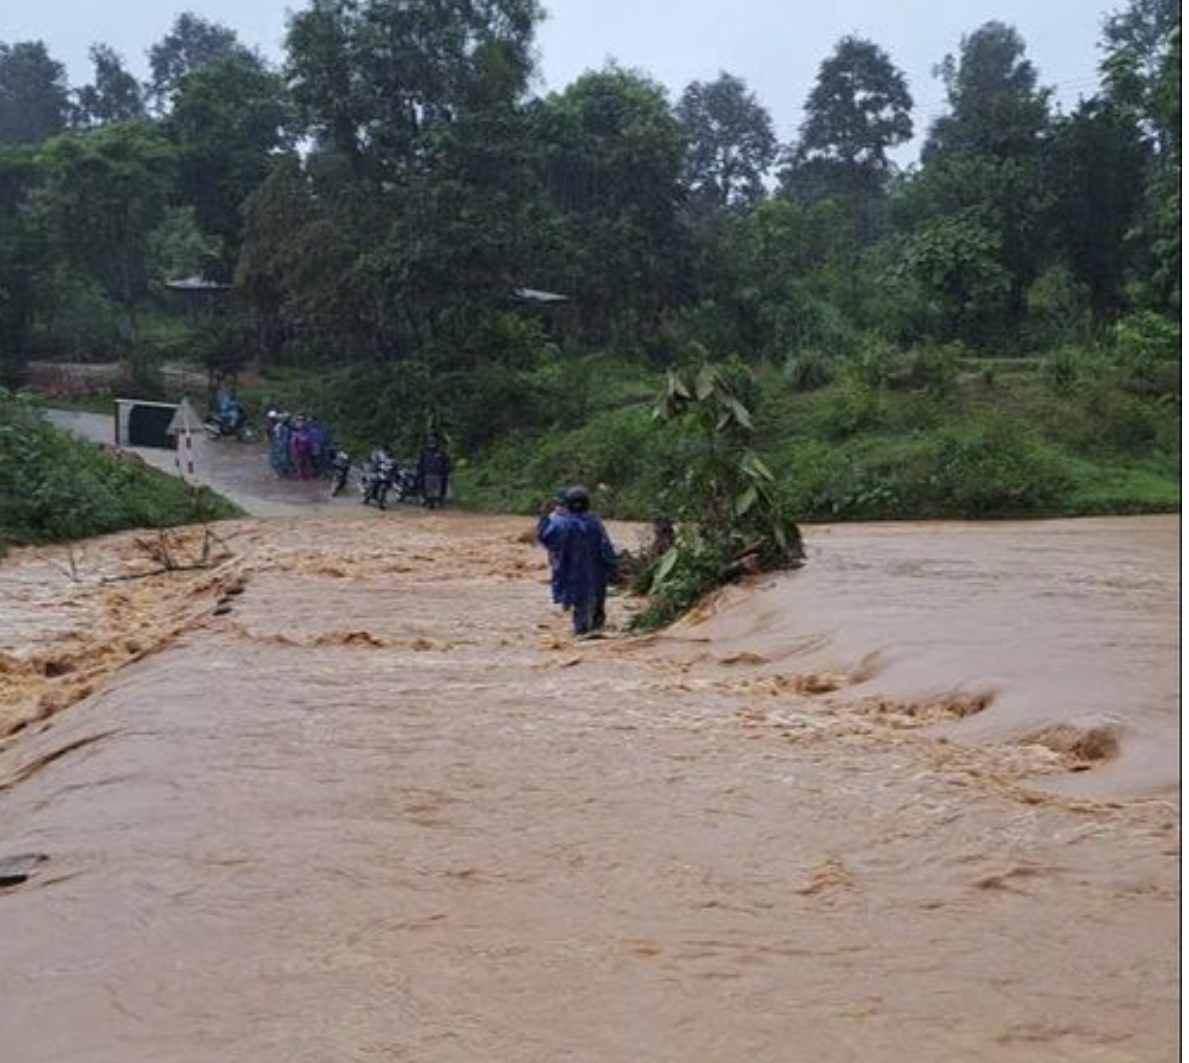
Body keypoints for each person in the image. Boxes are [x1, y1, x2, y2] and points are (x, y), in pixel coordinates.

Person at [540, 484, 618, 637]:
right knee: (597, 606)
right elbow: (607, 547)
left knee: (581, 610)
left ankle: (583, 634)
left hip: (574, 574)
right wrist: (612, 566)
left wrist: (545, 517)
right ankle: (596, 633)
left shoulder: (561, 523)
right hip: (597, 573)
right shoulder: (595, 521)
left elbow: (546, 539)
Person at [535, 488, 569, 608]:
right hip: (578, 556)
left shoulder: (553, 517)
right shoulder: (585, 516)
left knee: (560, 577)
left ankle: (564, 602)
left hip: (557, 553)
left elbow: (541, 536)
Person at [416, 436, 452, 509]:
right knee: (428, 489)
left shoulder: (441, 452)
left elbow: (446, 463)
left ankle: (438, 502)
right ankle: (430, 503)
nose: (432, 444)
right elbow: (420, 463)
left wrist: (446, 471)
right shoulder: (424, 452)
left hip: (438, 474)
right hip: (427, 474)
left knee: (438, 489)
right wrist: (420, 473)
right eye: (430, 443)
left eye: (433, 443)